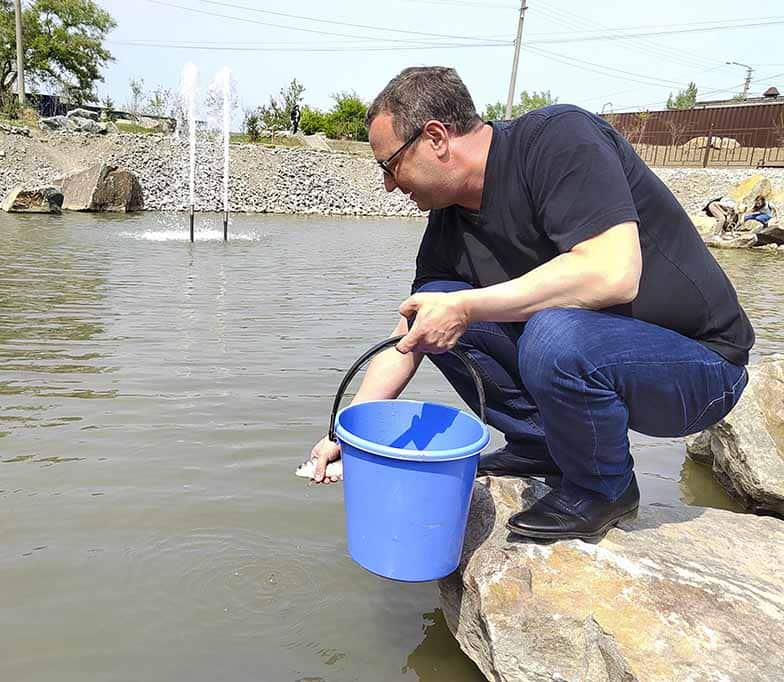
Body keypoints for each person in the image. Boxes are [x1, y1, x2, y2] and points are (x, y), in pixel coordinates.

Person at [305, 66, 754, 542]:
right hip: (591, 351)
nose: (389, 185)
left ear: (435, 137)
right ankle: (542, 445)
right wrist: (345, 435)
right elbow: (410, 335)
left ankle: (604, 488)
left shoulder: (559, 140)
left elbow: (613, 274)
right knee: (439, 303)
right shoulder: (449, 221)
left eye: (388, 165)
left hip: (700, 368)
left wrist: (470, 307)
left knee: (548, 332)